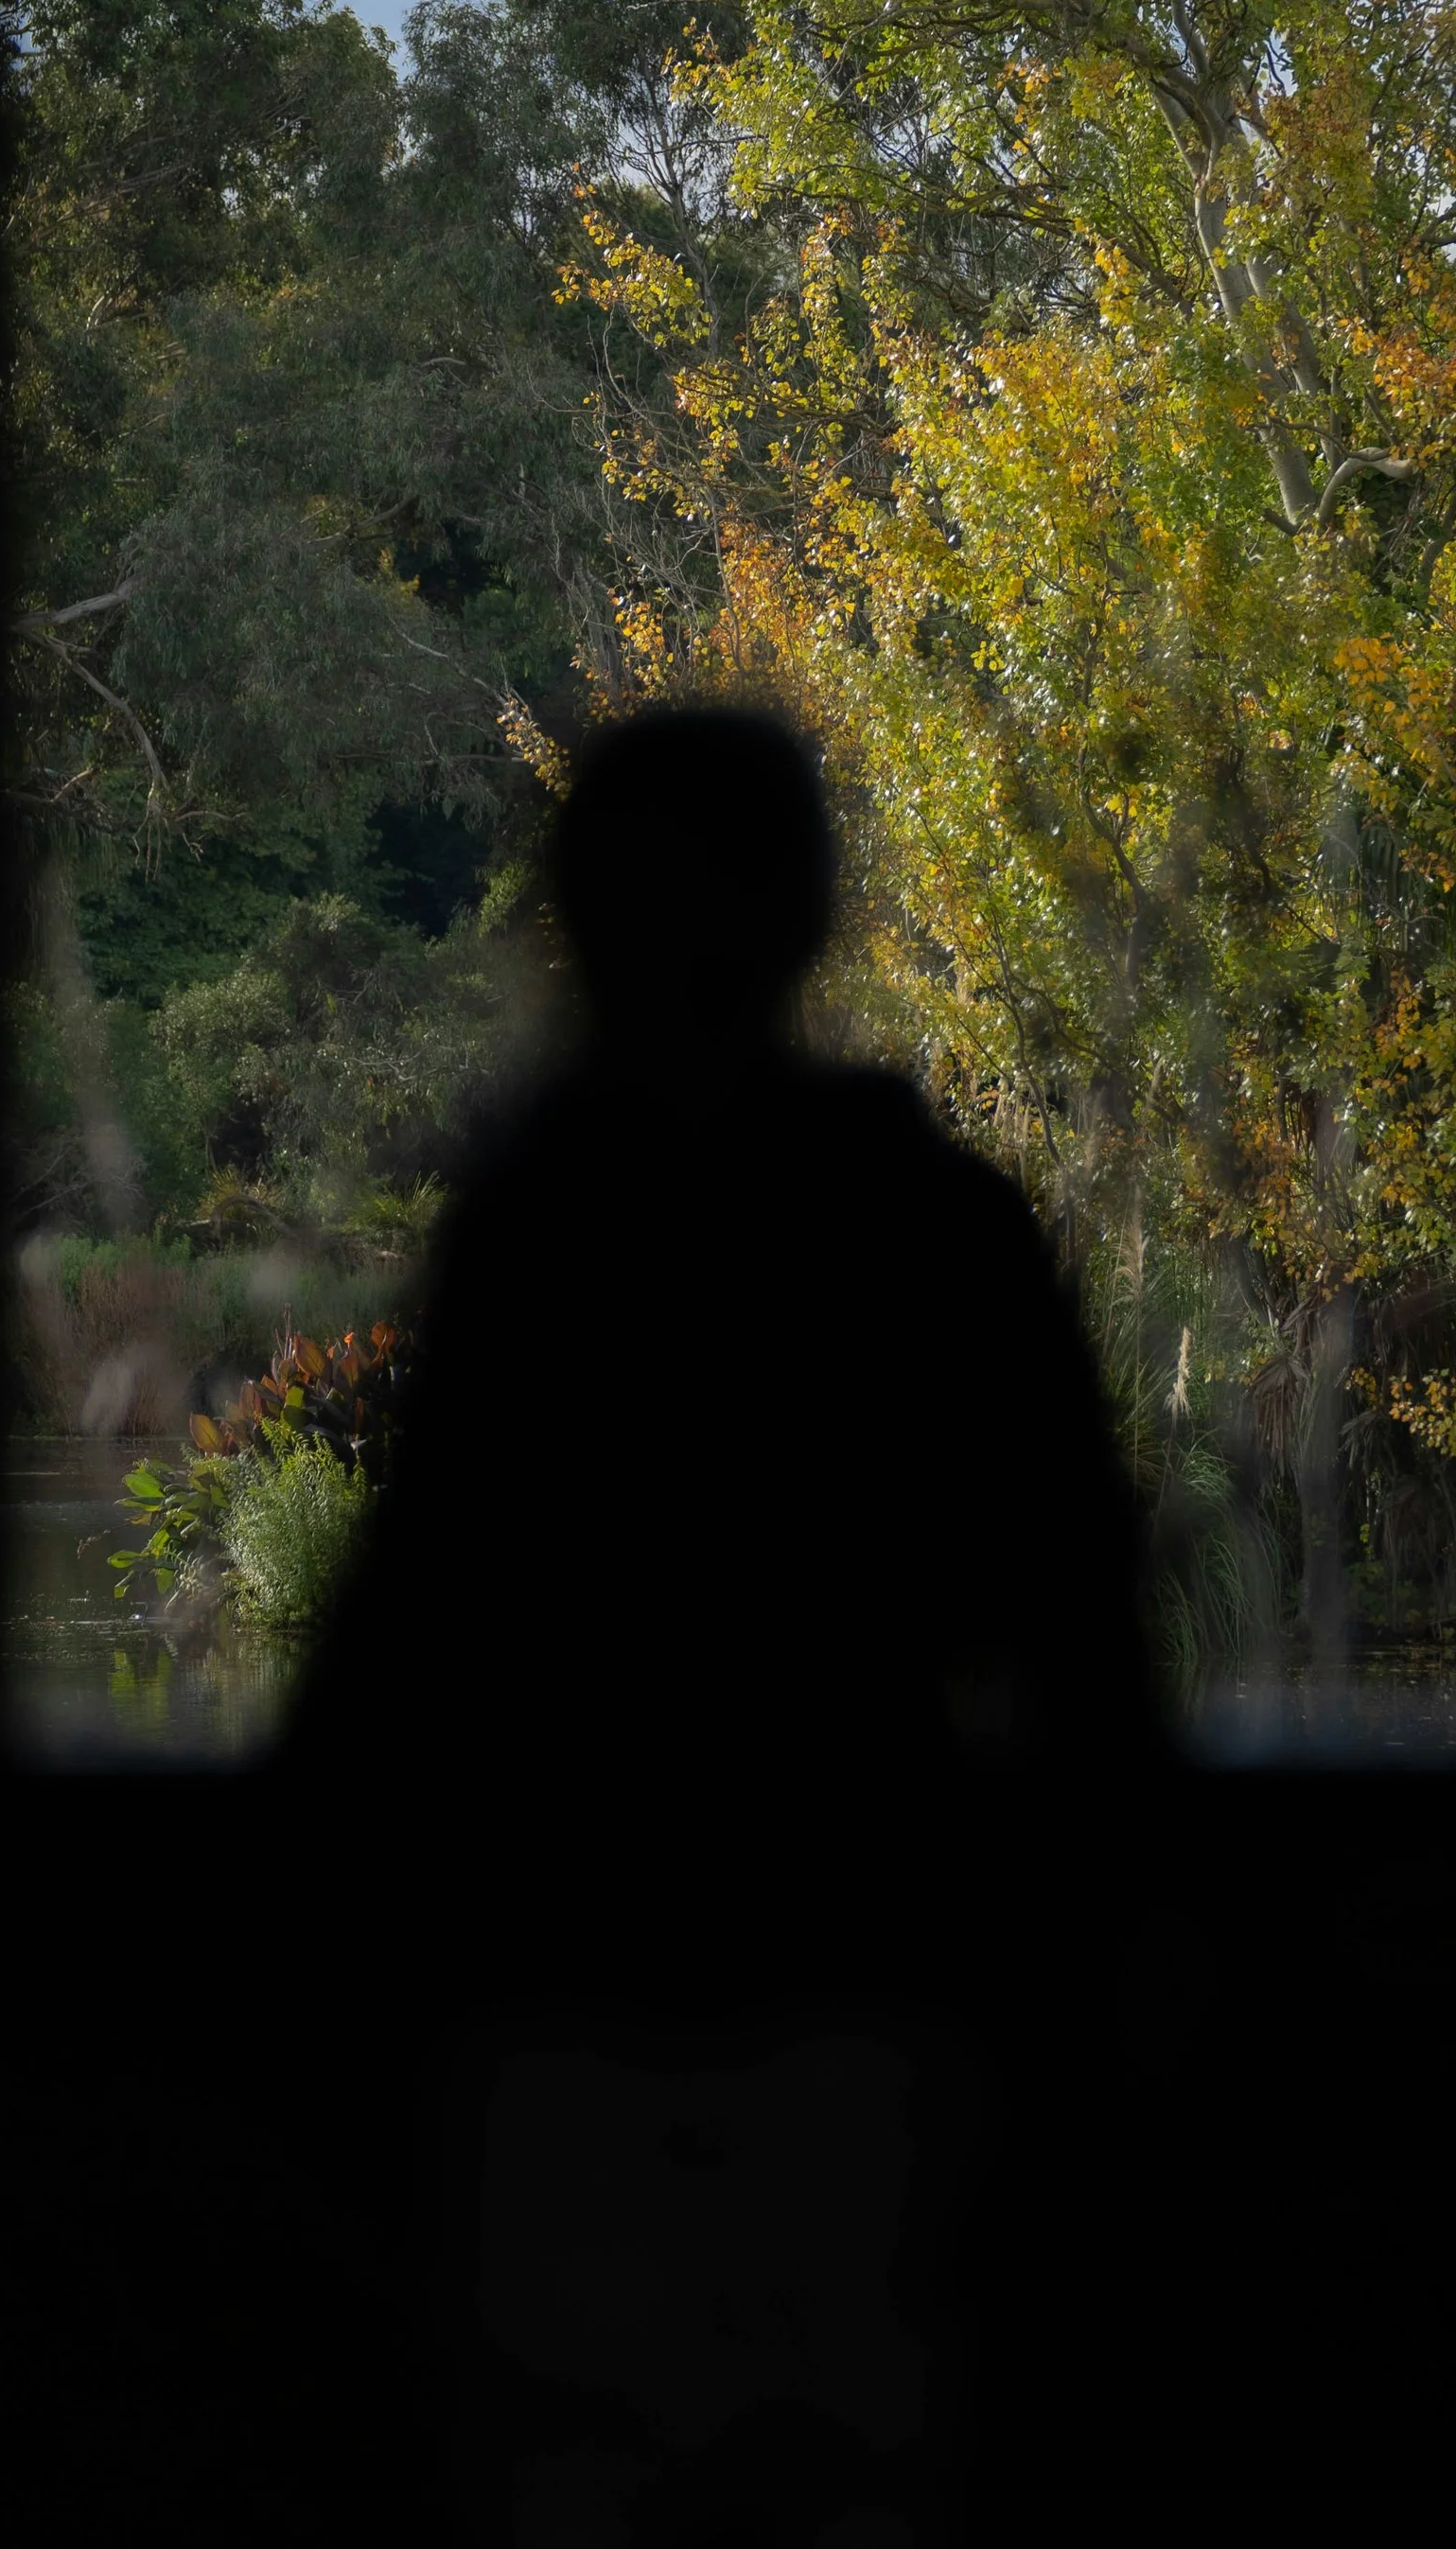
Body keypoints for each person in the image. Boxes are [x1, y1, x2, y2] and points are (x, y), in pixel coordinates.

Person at [263, 701, 1160, 2535]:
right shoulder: (938, 1232)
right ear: (814, 909)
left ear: (570, 920)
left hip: (560, 2014)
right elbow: (1089, 1655)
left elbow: (402, 1645)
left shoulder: (539, 1236)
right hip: (867, 2003)